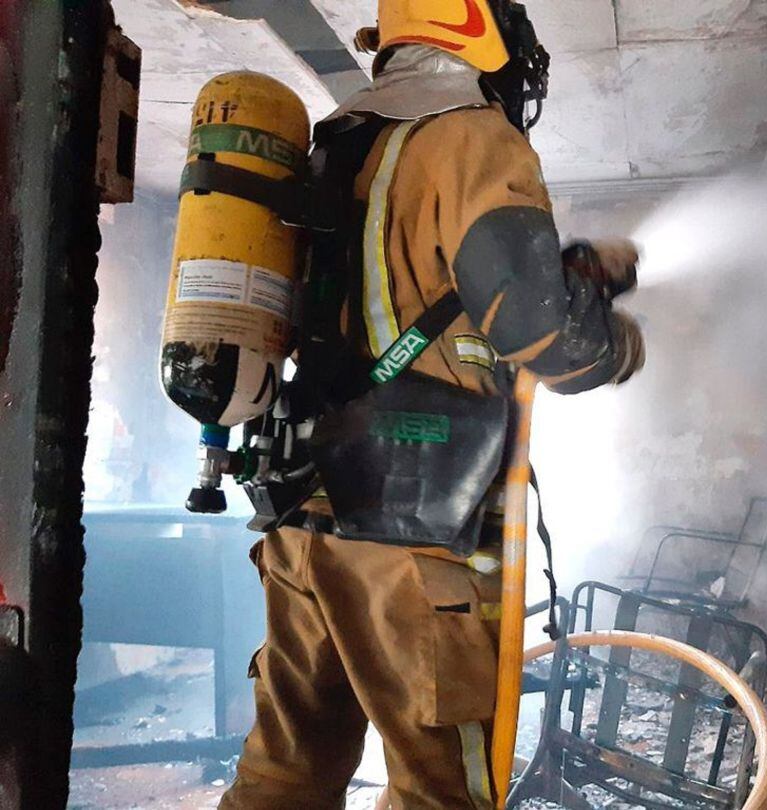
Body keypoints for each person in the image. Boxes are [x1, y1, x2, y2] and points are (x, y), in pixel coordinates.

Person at [220, 1, 645, 807]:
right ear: (485, 37)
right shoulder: (472, 137)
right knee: (438, 790)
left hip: (301, 531)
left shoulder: (341, 144)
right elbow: (547, 341)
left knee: (284, 773)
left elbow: (419, 300)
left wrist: (568, 275)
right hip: (413, 549)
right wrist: (617, 342)